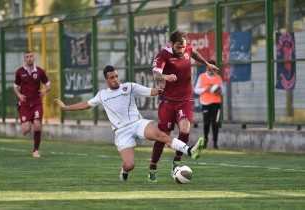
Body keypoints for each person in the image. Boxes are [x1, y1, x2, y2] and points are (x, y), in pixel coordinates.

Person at [55, 65, 204, 182]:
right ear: (106, 80)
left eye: (117, 76)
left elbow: (151, 91)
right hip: (121, 131)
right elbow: (86, 104)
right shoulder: (102, 95)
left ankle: (189, 150)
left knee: (161, 135)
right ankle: (124, 170)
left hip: (138, 123)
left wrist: (162, 88)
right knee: (129, 165)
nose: (116, 80)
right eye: (112, 78)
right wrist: (66, 107)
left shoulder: (130, 87)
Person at [148, 30, 219, 182]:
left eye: (183, 47)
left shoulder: (187, 48)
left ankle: (177, 161)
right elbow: (156, 74)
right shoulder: (163, 54)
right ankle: (152, 167)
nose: (181, 50)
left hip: (185, 100)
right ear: (172, 44)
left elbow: (193, 53)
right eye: (178, 47)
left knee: (185, 129)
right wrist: (165, 76)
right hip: (167, 101)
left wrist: (206, 64)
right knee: (162, 136)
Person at [14, 50, 51, 158]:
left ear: (34, 58)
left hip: (36, 102)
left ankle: (35, 150)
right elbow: (15, 86)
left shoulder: (40, 71)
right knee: (26, 130)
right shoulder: (19, 72)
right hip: (24, 103)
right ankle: (25, 126)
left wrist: (45, 90)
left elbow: (48, 85)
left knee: (37, 125)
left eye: (31, 56)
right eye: (27, 57)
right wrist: (19, 95)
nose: (29, 58)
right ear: (24, 59)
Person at [194, 60, 225, 149]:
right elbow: (196, 90)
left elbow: (224, 90)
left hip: (216, 104)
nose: (212, 71)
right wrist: (205, 89)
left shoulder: (218, 78)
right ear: (207, 68)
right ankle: (205, 141)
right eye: (210, 69)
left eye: (213, 69)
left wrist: (220, 91)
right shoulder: (202, 77)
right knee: (206, 123)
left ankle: (215, 143)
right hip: (205, 103)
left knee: (215, 123)